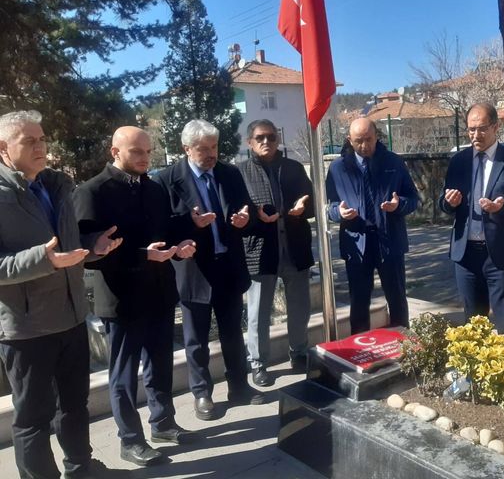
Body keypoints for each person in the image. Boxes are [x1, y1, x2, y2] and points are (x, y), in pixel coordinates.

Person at [0, 110, 121, 478]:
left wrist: (92, 246)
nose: (41, 147)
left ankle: (81, 469)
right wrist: (43, 259)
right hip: (26, 328)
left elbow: (65, 245)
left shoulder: (55, 185)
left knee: (74, 405)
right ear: (3, 147)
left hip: (70, 317)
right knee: (33, 418)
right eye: (30, 141)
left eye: (42, 139)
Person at [74, 127, 198, 467]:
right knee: (124, 374)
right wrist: (142, 256)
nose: (145, 158)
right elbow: (88, 252)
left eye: (148, 151)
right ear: (115, 152)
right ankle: (130, 440)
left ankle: (163, 424)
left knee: (160, 364)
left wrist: (183, 242)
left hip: (159, 292)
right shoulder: (92, 191)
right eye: (136, 152)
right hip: (121, 298)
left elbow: (167, 230)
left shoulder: (154, 187)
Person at [154, 119, 264, 422]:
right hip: (194, 270)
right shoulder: (167, 180)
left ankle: (239, 386)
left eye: (214, 147)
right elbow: (161, 227)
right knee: (196, 338)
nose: (211, 154)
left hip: (228, 265)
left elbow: (248, 211)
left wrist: (245, 217)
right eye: (204, 149)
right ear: (186, 148)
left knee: (232, 333)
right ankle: (202, 393)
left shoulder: (229, 173)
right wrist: (190, 226)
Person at [439, 102, 504, 339]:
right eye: (471, 129)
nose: (476, 135)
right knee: (473, 326)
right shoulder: (458, 162)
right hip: (466, 255)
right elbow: (443, 203)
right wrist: (448, 202)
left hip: (501, 256)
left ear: (496, 127)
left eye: (482, 128)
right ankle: (475, 374)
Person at [238, 119, 315, 383]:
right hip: (260, 252)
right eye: (259, 137)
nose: (266, 142)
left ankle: (299, 353)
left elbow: (313, 203)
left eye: (271, 137)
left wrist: (304, 207)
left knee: (300, 307)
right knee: (259, 312)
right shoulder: (241, 173)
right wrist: (258, 219)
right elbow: (237, 216)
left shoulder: (293, 168)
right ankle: (258, 364)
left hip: (295, 248)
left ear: (278, 139)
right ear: (250, 142)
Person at [325, 118, 418, 334]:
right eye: (358, 141)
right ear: (349, 140)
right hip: (356, 245)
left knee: (397, 298)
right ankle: (359, 352)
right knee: (358, 302)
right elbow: (329, 207)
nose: (364, 145)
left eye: (369, 139)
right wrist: (339, 212)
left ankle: (403, 348)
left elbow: (412, 198)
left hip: (390, 242)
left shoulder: (393, 162)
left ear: (377, 136)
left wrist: (399, 205)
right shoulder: (338, 168)